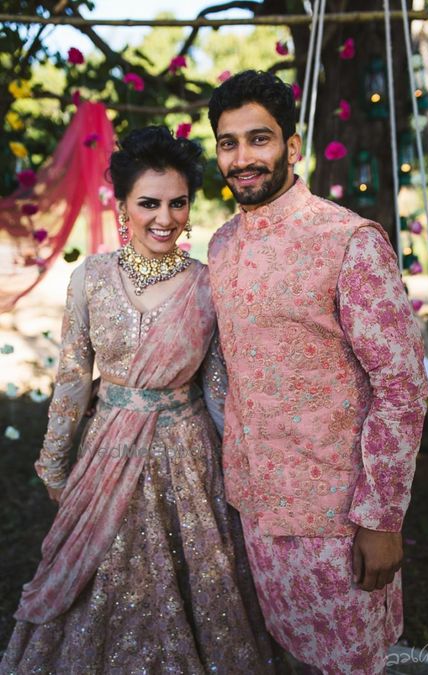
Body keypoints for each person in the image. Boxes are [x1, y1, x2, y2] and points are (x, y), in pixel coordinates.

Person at [0, 126, 278, 674]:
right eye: (148, 203)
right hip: (106, 454)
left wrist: (245, 475)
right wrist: (56, 466)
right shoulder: (92, 278)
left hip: (188, 461)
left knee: (194, 585)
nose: (164, 218)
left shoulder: (207, 283)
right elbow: (74, 378)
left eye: (178, 204)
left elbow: (219, 389)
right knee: (98, 585)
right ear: (122, 205)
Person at [207, 70, 428, 674]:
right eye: (229, 143)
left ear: (292, 146)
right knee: (286, 655)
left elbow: (403, 388)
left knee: (351, 664)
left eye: (260, 139)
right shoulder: (222, 245)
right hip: (256, 508)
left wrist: (380, 518)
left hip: (338, 516)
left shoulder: (348, 240)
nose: (244, 157)